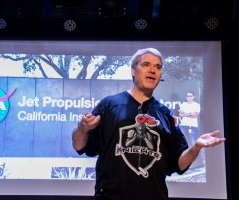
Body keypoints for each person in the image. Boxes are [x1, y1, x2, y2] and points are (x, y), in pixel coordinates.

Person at [71, 48, 225, 200]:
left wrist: (196, 147)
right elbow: (79, 145)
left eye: (158, 67)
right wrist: (82, 128)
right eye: (146, 65)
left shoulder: (165, 114)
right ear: (133, 70)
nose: (153, 70)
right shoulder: (110, 104)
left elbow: (179, 163)